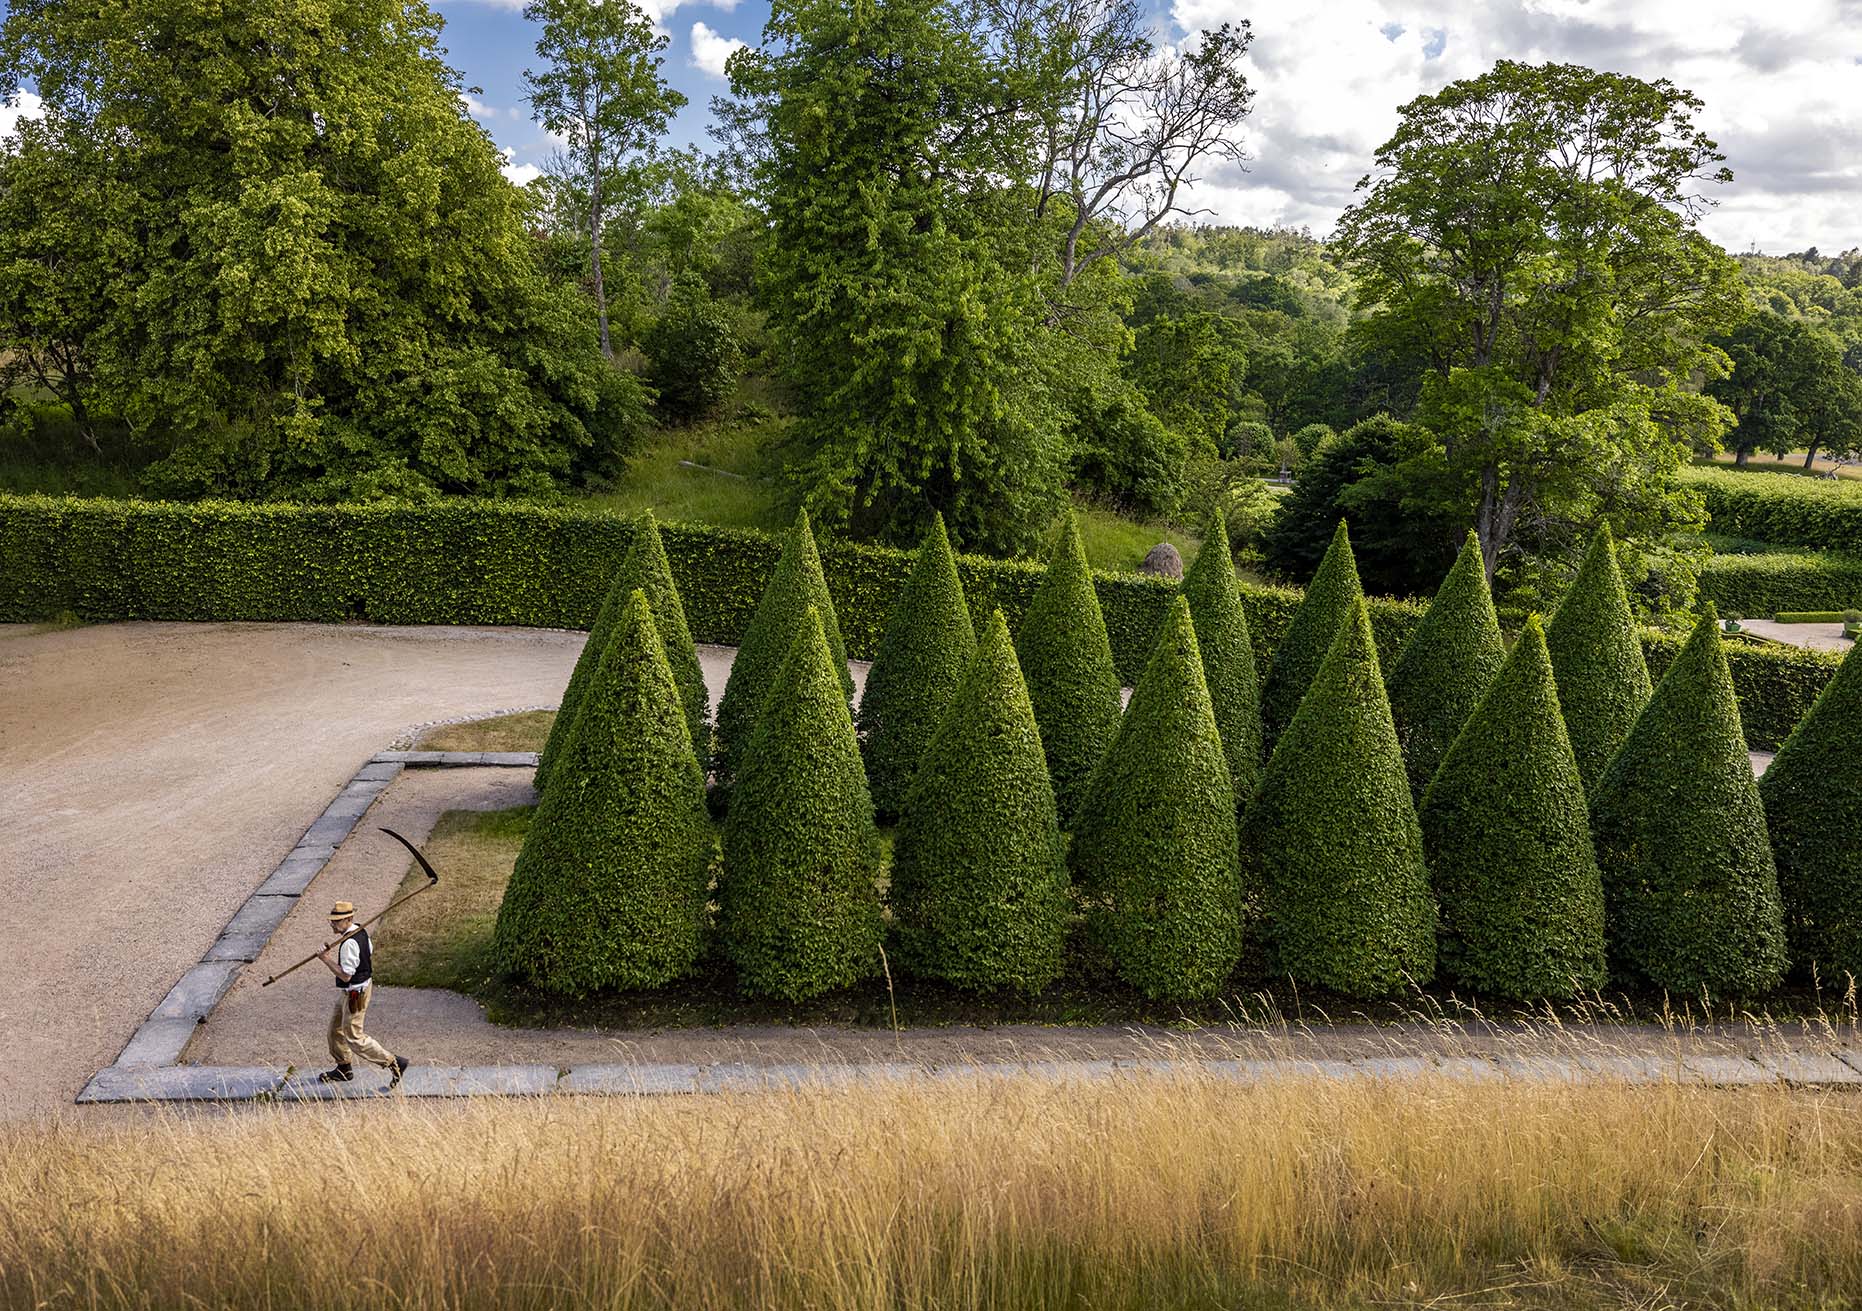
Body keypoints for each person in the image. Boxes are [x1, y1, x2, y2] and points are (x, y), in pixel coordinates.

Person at [316, 900, 410, 1087]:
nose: (332, 924)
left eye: (336, 921)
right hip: (354, 990)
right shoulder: (360, 931)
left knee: (354, 1037)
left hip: (355, 994)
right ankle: (343, 1068)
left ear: (349, 919)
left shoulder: (349, 942)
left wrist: (326, 959)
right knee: (335, 1029)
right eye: (332, 920)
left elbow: (345, 975)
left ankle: (394, 1063)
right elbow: (367, 952)